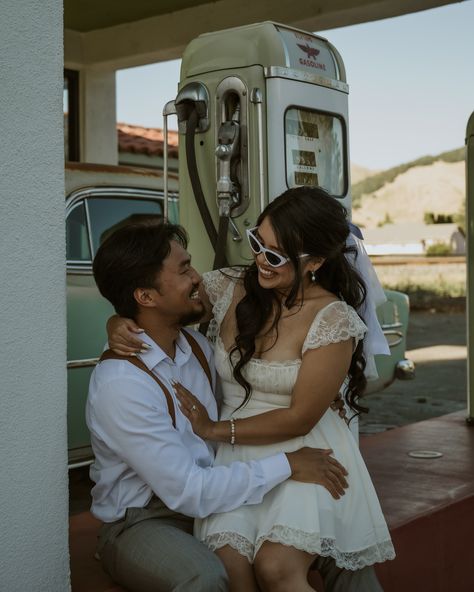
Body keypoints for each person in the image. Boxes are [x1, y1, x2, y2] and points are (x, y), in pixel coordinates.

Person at [108, 187, 395, 592]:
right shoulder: (229, 288)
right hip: (236, 456)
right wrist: (118, 321)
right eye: (258, 241)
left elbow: (300, 417)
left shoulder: (333, 319)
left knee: (278, 569)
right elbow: (157, 300)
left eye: (276, 255)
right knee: (233, 571)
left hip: (302, 447)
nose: (261, 260)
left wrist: (211, 430)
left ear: (314, 261)